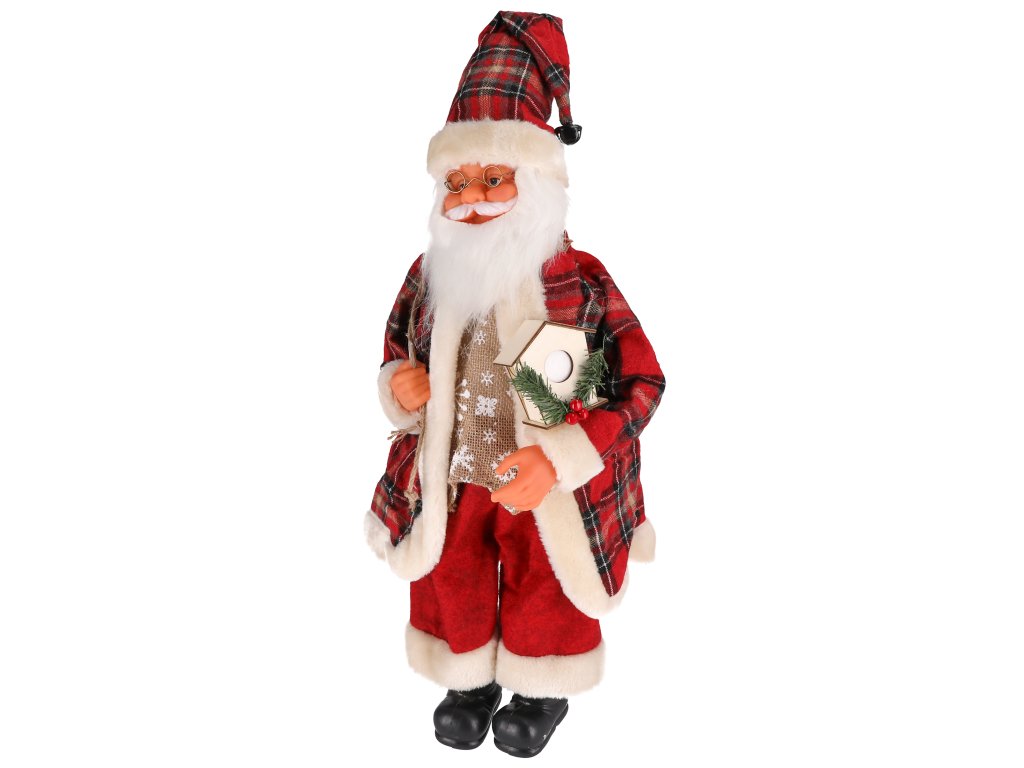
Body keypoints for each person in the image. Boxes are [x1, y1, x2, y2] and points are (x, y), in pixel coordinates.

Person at [365, 11, 665, 758]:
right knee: (451, 573)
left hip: (544, 480)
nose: (471, 198)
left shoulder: (580, 280)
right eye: (456, 182)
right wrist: (399, 385)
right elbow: (397, 347)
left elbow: (642, 381)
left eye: (492, 179)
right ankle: (466, 680)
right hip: (455, 472)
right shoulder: (429, 277)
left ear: (535, 184)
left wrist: (563, 456)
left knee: (545, 575)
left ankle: (540, 686)